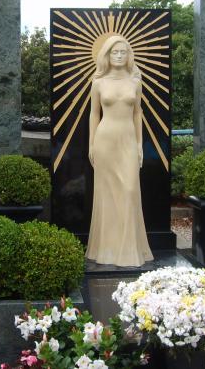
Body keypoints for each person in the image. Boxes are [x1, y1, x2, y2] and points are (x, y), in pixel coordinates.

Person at [85, 35, 153, 266]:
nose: (119, 56)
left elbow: (137, 113)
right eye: (115, 52)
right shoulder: (98, 83)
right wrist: (91, 144)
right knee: (106, 195)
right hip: (105, 141)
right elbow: (94, 114)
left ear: (129, 56)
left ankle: (130, 250)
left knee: (130, 190)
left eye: (123, 52)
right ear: (106, 54)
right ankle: (108, 250)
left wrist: (139, 144)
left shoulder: (135, 82)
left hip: (128, 140)